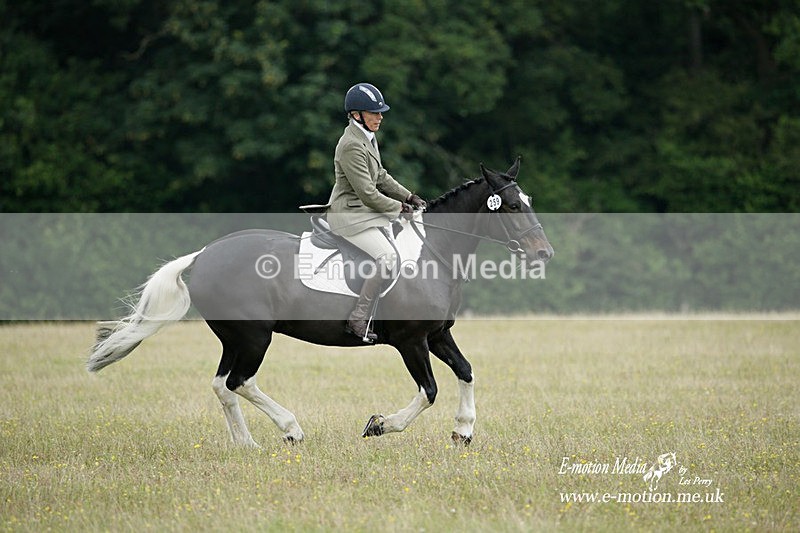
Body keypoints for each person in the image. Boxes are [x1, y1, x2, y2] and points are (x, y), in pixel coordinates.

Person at [326, 82, 426, 343]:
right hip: (349, 216)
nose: (380, 117)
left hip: (366, 212)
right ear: (357, 114)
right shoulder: (350, 145)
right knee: (387, 257)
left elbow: (380, 175)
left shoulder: (367, 138)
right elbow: (367, 192)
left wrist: (408, 195)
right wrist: (399, 208)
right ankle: (358, 318)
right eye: (375, 112)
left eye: (380, 112)